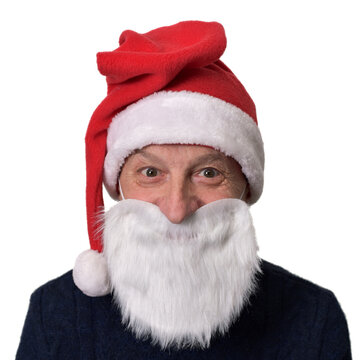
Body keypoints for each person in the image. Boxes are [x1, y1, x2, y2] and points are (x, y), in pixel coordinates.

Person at [16, 20, 352, 359]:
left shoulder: (313, 320)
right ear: (118, 186)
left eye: (208, 173)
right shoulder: (55, 316)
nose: (176, 210)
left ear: (245, 188)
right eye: (150, 172)